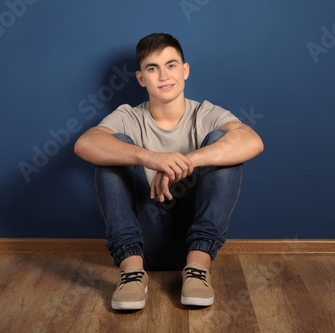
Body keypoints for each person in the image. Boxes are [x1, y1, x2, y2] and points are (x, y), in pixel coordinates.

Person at [74, 33, 263, 310]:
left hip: (194, 241)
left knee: (222, 145)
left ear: (184, 71)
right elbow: (85, 143)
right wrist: (151, 158)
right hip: (142, 240)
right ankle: (131, 273)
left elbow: (252, 140)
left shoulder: (205, 112)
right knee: (114, 148)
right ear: (142, 78)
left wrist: (188, 161)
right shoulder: (128, 116)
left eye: (171, 65)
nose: (164, 75)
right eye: (153, 68)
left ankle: (198, 269)